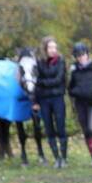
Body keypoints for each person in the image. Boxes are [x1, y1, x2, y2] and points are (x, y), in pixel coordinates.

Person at [33, 36, 69, 168]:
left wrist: (44, 82)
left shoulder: (60, 61)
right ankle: (56, 157)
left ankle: (64, 157)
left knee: (61, 127)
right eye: (50, 47)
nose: (53, 50)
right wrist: (35, 101)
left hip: (57, 98)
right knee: (49, 128)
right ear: (45, 49)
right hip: (44, 100)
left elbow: (59, 79)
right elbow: (36, 83)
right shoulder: (39, 62)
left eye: (55, 47)